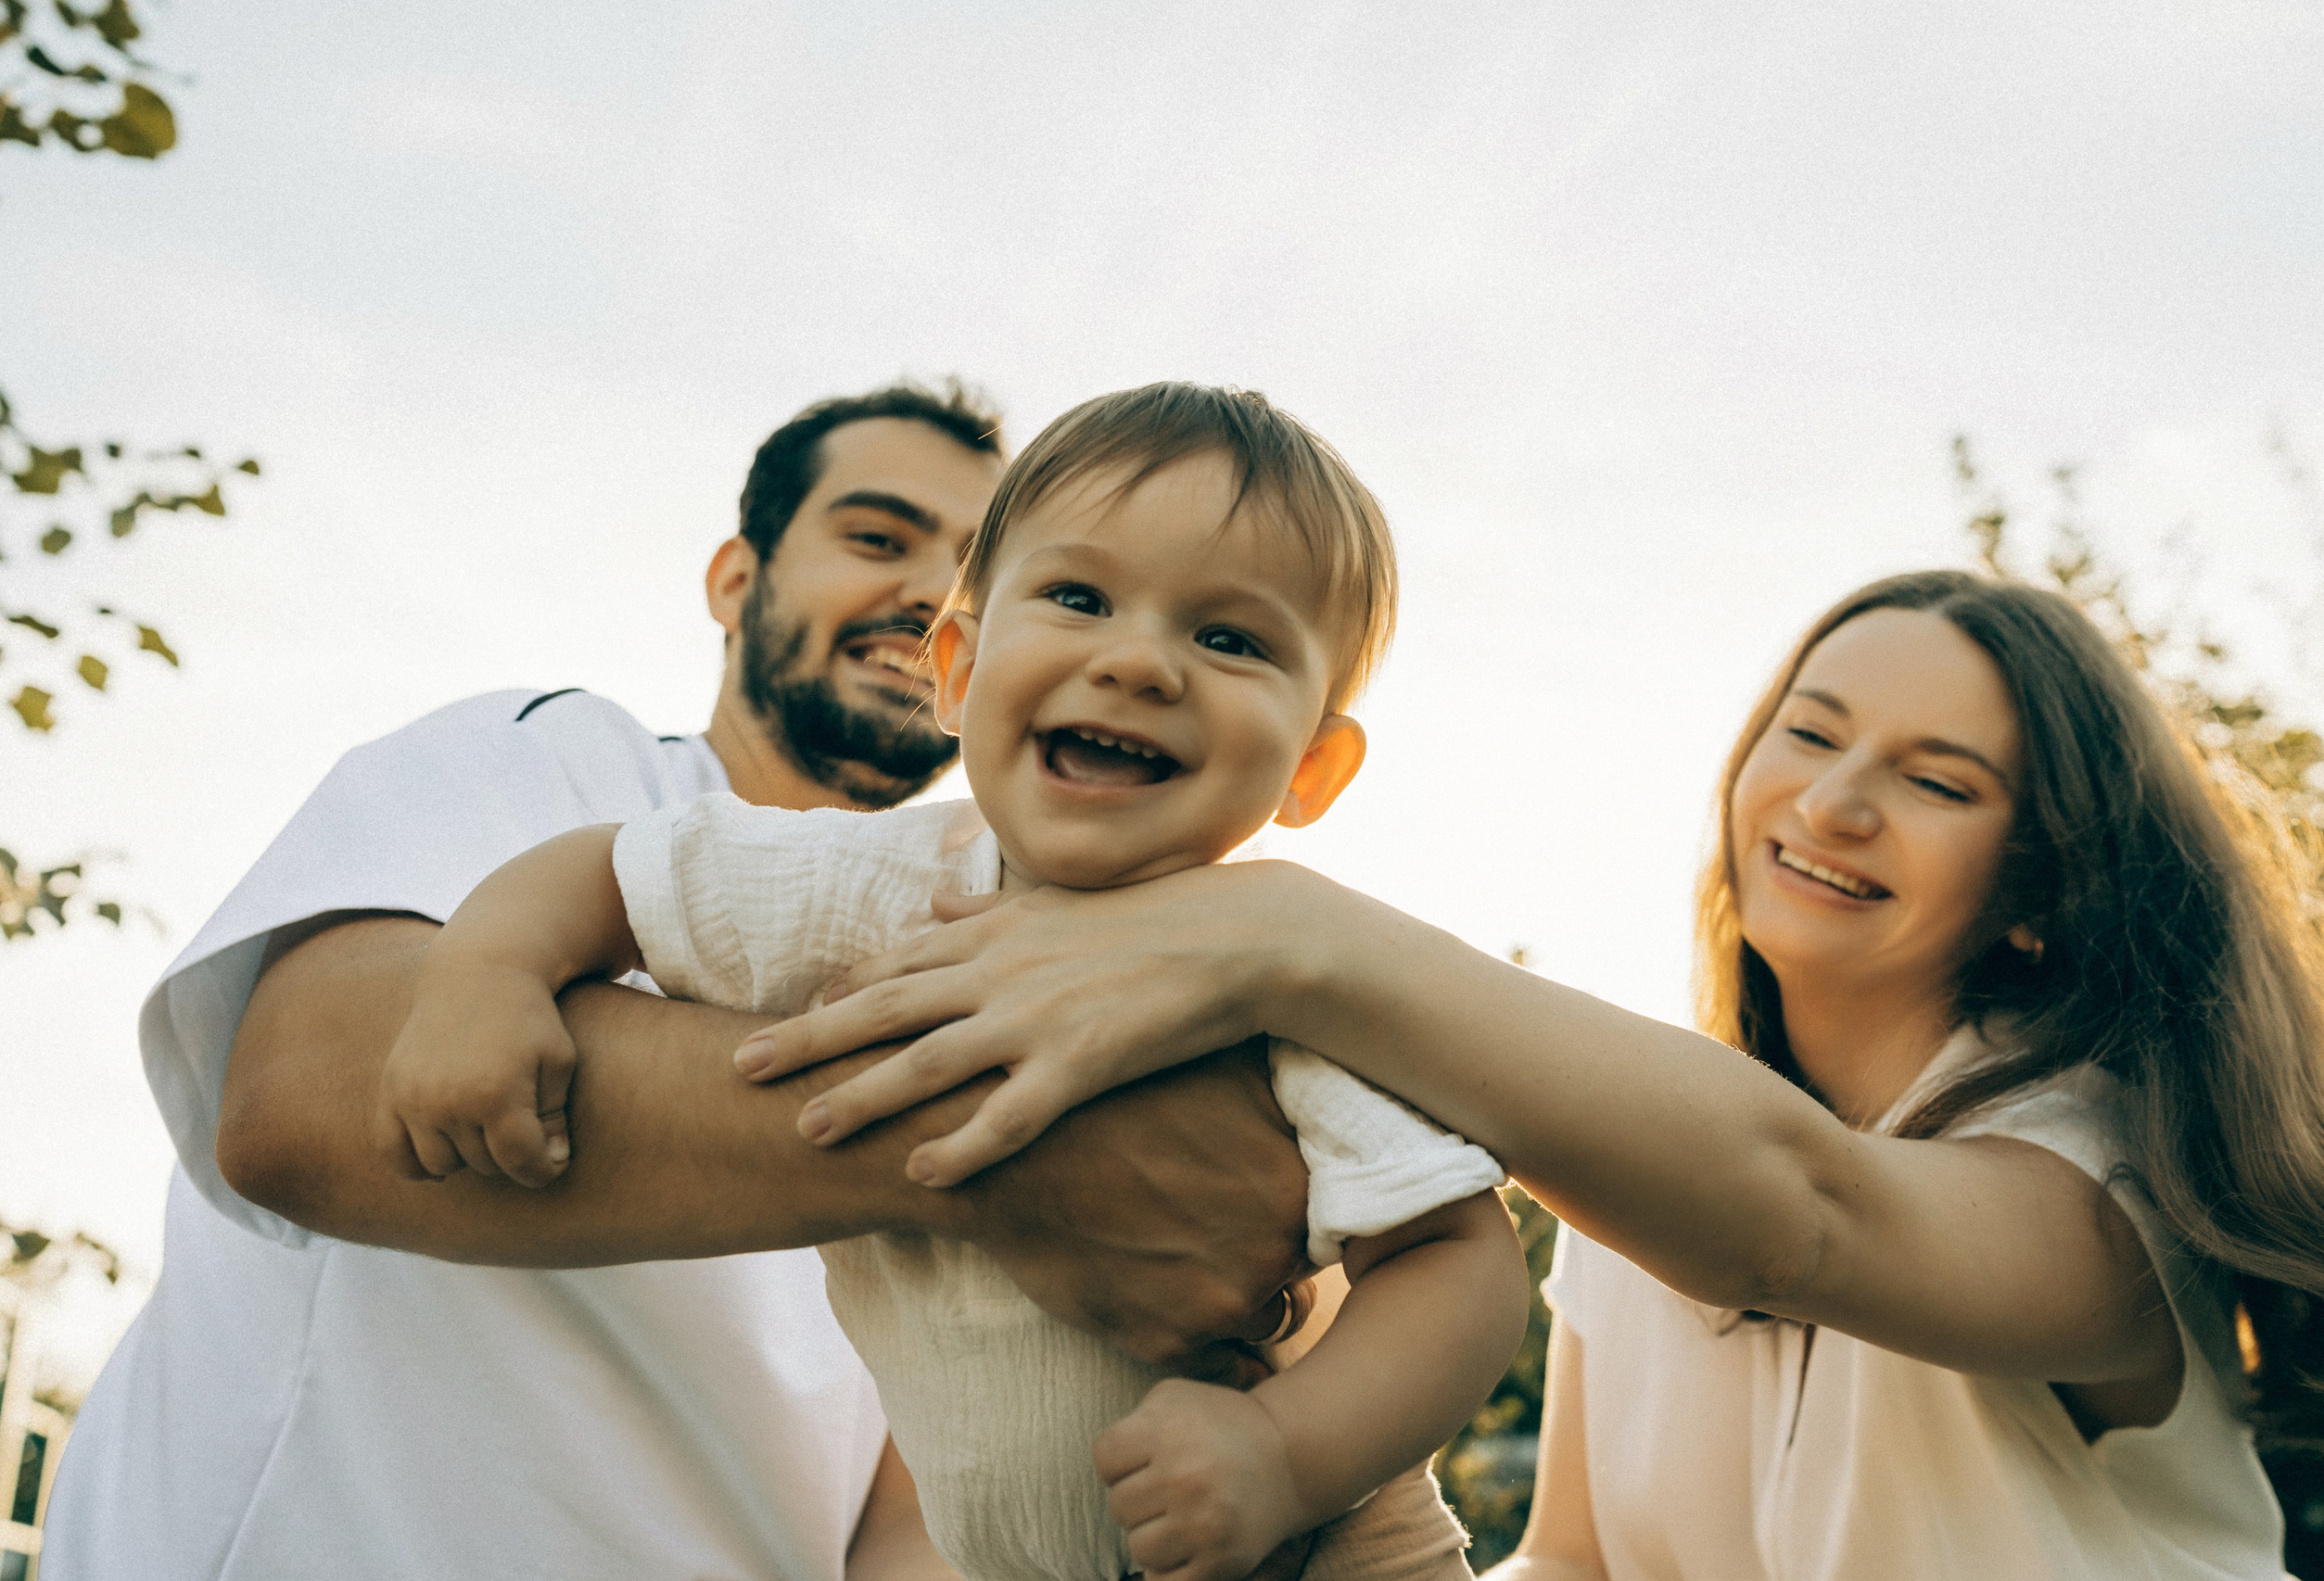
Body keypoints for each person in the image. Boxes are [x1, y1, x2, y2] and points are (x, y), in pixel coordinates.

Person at [756, 570, 2324, 1577]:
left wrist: (1284, 931)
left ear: (2041, 885)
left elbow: (1806, 1213)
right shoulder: (1632, 1194)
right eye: (1811, 733)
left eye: (1939, 781)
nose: (1834, 803)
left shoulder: (2106, 1177)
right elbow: (1581, 1562)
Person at [44, 382, 1318, 1581]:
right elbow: (301, 1093)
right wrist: (998, 1154)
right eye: (877, 536)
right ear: (737, 580)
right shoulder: (557, 760)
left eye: (980, 565)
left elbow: (909, 1523)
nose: (929, 589)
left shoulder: (1044, 960)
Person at [376, 383, 1531, 1581]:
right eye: (1080, 598)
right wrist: (489, 971)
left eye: (1230, 639)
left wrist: (1285, 1453)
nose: (1139, 662)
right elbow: (613, 874)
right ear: (961, 669)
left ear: (1312, 765)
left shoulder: (1275, 976)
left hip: (1325, 1549)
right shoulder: (863, 883)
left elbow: (1460, 1263)